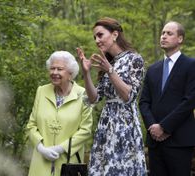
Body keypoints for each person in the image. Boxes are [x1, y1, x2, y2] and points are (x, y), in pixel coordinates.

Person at [77, 17, 147, 175]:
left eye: (100, 35)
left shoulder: (134, 59)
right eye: (95, 37)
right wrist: (86, 73)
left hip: (125, 125)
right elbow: (94, 98)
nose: (97, 40)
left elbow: (128, 96)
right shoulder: (108, 62)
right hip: (106, 124)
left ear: (115, 35)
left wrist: (110, 70)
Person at [139, 21, 195, 176]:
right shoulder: (152, 69)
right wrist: (153, 127)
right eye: (163, 33)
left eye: (169, 33)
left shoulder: (191, 65)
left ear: (180, 39)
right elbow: (144, 102)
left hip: (179, 140)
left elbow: (190, 100)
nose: (163, 36)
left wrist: (164, 127)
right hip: (155, 142)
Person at [26, 51, 93, 176]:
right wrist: (41, 148)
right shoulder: (41, 91)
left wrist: (61, 148)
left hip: (68, 163)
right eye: (52, 68)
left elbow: (85, 130)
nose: (54, 72)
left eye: (60, 69)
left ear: (70, 73)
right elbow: (31, 125)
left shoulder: (83, 95)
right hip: (41, 161)